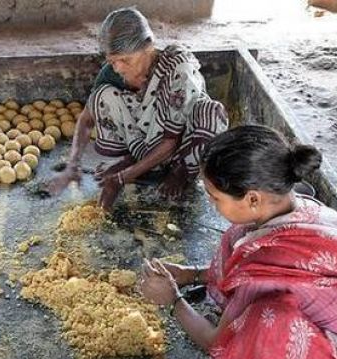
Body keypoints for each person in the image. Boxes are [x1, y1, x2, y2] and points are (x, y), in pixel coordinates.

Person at [140, 125, 337, 359]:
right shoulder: (302, 210)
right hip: (335, 339)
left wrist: (172, 300)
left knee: (272, 321)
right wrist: (190, 275)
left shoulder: (266, 257)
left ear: (253, 199)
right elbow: (249, 263)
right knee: (237, 238)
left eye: (214, 198)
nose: (211, 203)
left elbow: (216, 342)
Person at [43, 7, 228, 209]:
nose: (118, 68)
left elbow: (171, 141)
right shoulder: (113, 72)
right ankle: (134, 159)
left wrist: (122, 178)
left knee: (211, 112)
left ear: (148, 47)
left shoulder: (176, 70)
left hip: (181, 142)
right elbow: (87, 119)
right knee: (102, 96)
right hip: (147, 142)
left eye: (125, 60)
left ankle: (180, 171)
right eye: (112, 61)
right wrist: (73, 165)